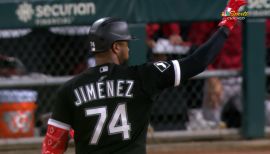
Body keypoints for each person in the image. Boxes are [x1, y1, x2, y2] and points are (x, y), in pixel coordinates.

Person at [42, 0, 247, 153]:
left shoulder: (69, 89)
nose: (129, 46)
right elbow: (197, 62)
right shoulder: (142, 76)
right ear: (115, 47)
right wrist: (229, 22)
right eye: (125, 43)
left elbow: (51, 149)